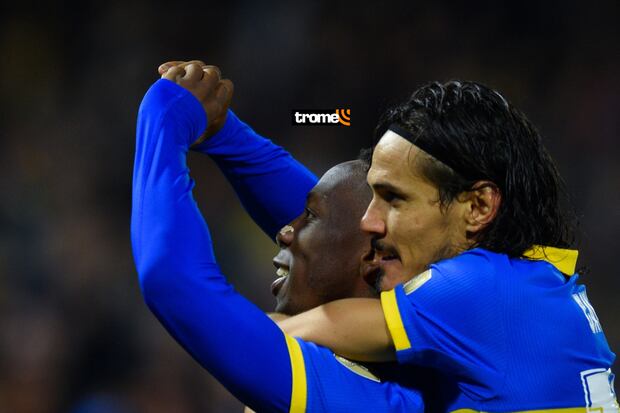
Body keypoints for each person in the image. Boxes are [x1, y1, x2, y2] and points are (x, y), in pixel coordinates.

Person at [275, 81, 618, 410]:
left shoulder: (478, 286)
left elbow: (286, 339)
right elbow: (327, 227)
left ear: (478, 207)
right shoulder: (530, 281)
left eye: (394, 198)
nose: (367, 221)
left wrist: (256, 339)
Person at [131, 61, 426, 412]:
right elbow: (343, 224)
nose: (285, 231)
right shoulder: (412, 370)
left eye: (309, 217)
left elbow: (172, 280)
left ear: (373, 258)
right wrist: (224, 134)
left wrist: (164, 114)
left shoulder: (367, 401)